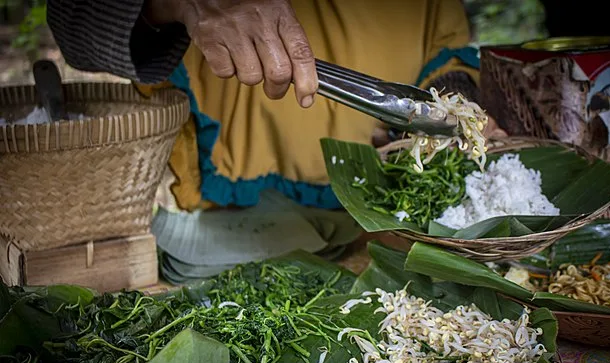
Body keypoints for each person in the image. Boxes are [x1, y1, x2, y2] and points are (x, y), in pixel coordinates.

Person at [47, 0, 502, 212]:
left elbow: (445, 44)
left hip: (388, 207)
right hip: (233, 209)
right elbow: (71, 20)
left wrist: (443, 115)